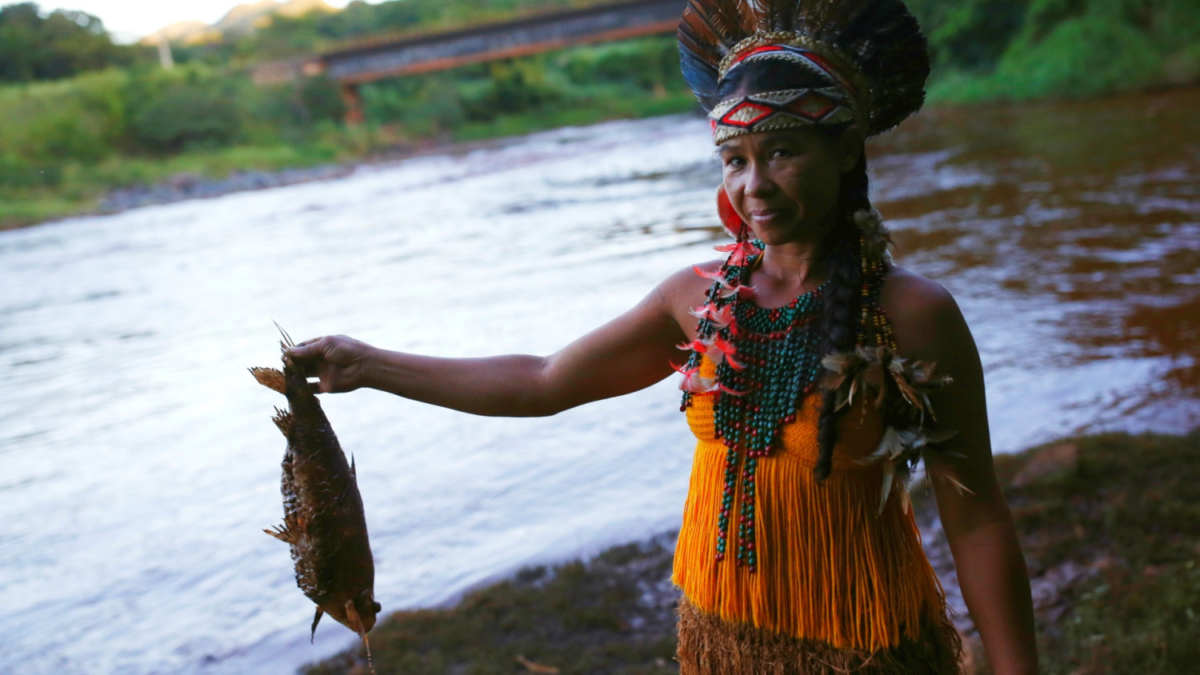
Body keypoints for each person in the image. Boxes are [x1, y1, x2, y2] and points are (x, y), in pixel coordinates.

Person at [286, 0, 1039, 672]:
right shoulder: (696, 299)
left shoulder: (911, 313)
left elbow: (974, 515)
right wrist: (370, 363)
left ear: (846, 150)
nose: (756, 185)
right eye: (736, 160)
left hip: (867, 651)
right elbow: (545, 381)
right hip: (720, 643)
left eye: (783, 151)